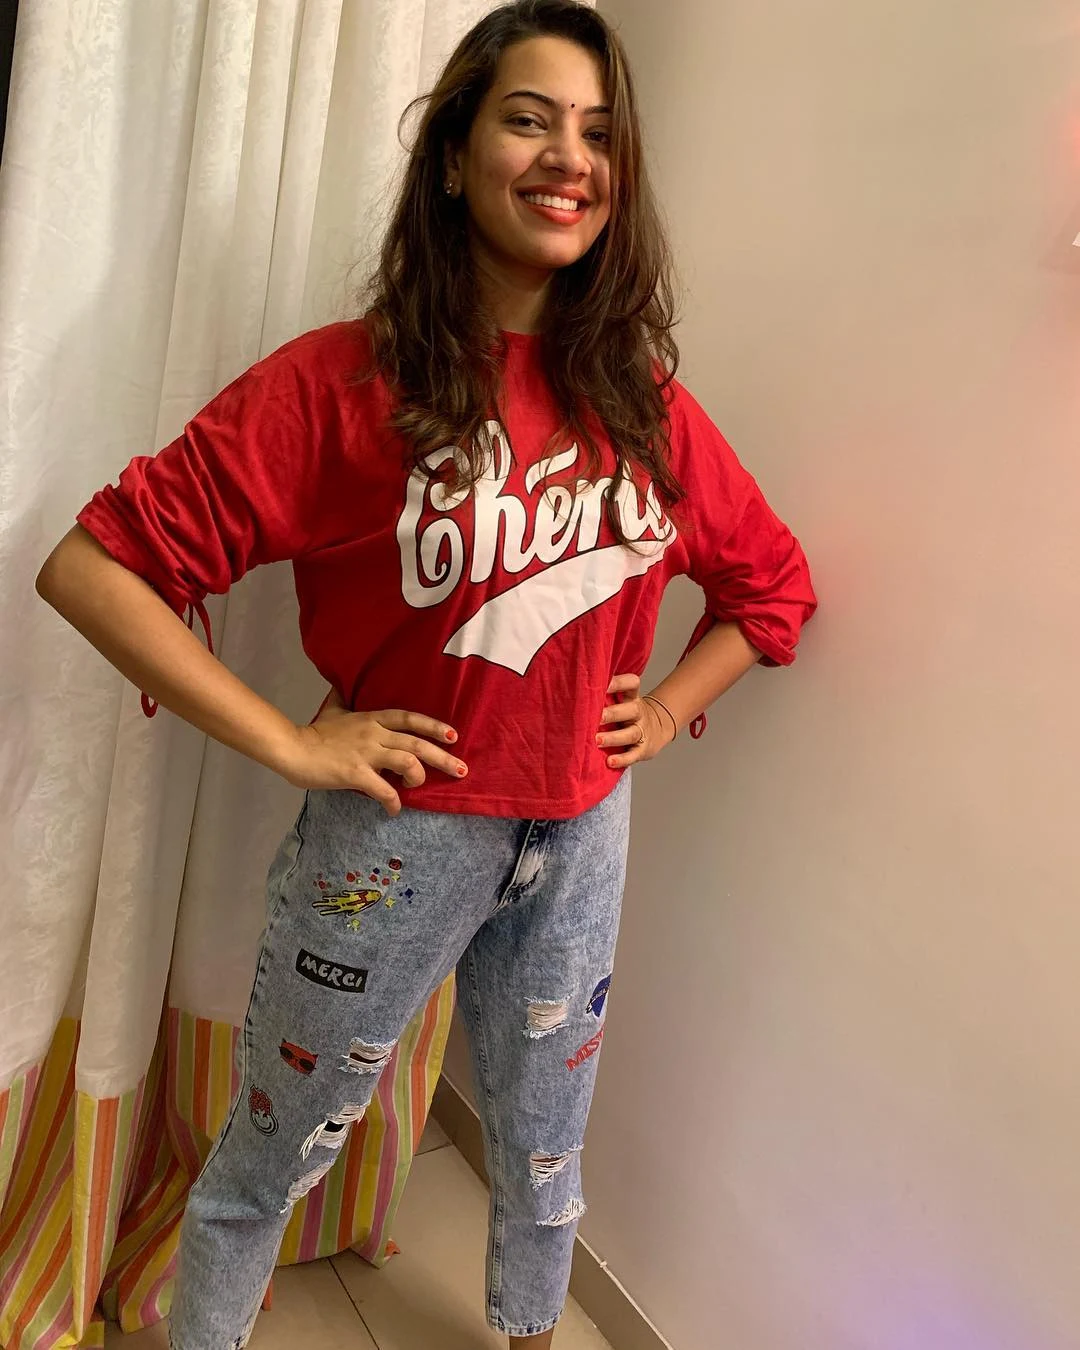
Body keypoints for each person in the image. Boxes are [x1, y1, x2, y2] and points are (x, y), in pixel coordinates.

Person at [35, 2, 817, 1345]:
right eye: (529, 120)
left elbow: (773, 588)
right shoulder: (347, 384)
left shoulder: (644, 405)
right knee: (271, 1149)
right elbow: (93, 567)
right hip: (392, 842)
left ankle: (531, 1334)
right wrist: (293, 743)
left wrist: (667, 706)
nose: (569, 158)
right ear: (454, 157)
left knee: (546, 1149)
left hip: (581, 836)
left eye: (599, 133)